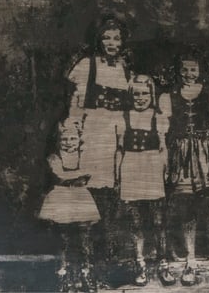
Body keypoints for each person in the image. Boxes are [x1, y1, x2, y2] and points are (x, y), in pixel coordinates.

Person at [162, 53, 209, 288]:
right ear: (178, 71)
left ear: (200, 71)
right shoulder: (169, 96)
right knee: (187, 211)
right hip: (181, 156)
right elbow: (163, 132)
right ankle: (190, 262)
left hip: (207, 157)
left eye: (193, 69)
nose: (189, 74)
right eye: (184, 69)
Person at [66, 16, 133, 271]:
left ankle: (109, 257)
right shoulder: (87, 65)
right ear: (99, 40)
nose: (112, 43)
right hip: (93, 130)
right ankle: (85, 259)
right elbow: (76, 104)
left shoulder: (125, 68)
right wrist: (74, 129)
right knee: (88, 190)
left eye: (117, 38)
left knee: (112, 193)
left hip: (116, 132)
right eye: (106, 38)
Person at [115, 74, 170, 286]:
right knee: (136, 221)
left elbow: (163, 148)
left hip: (152, 166)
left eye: (145, 94)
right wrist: (118, 175)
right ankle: (141, 264)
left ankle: (163, 263)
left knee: (158, 220)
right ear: (130, 95)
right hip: (131, 167)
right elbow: (120, 149)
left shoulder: (158, 117)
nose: (140, 98)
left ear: (152, 94)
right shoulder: (124, 117)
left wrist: (165, 171)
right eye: (136, 94)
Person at [38, 118, 101, 293]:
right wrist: (78, 175)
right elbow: (60, 175)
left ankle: (86, 273)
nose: (68, 142)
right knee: (63, 238)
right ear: (58, 140)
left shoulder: (84, 156)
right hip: (61, 196)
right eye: (64, 139)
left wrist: (76, 175)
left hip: (81, 197)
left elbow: (90, 172)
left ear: (80, 139)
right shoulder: (54, 157)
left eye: (73, 138)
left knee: (84, 237)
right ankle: (63, 274)